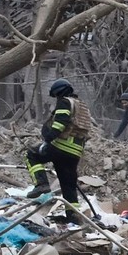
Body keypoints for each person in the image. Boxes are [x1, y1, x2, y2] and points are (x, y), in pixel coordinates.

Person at [24, 79, 89, 216]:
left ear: (59, 92)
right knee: (68, 185)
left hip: (61, 146)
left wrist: (47, 140)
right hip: (76, 151)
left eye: (56, 95)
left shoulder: (65, 102)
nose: (57, 98)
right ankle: (73, 217)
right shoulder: (81, 105)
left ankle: (41, 184)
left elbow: (60, 124)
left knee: (32, 154)